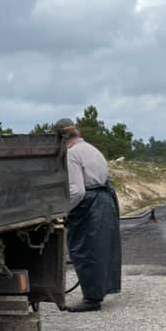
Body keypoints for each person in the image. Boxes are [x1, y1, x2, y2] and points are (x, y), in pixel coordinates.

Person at [54, 118, 122, 312]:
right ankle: (100, 291)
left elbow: (77, 191)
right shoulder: (92, 149)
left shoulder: (72, 154)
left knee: (85, 250)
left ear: (61, 138)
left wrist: (64, 211)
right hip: (105, 201)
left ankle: (92, 299)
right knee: (101, 249)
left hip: (89, 205)